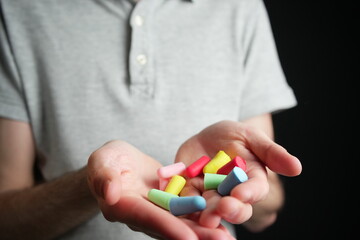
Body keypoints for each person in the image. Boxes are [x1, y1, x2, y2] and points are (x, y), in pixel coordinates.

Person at [0, 0, 302, 239]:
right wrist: (89, 185)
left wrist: (243, 186)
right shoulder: (18, 10)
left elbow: (268, 206)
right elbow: (6, 225)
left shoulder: (240, 7)